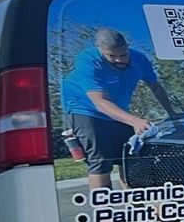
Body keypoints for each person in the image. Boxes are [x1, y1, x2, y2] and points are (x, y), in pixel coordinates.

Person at [60, 29, 175, 189]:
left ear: (127, 47)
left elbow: (155, 86)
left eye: (123, 55)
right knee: (101, 161)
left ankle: (138, 205)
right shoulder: (87, 61)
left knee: (129, 157)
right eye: (112, 56)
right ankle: (105, 211)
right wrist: (134, 120)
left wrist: (172, 113)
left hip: (118, 109)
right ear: (100, 50)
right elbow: (100, 102)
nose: (119, 60)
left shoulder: (139, 59)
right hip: (85, 110)